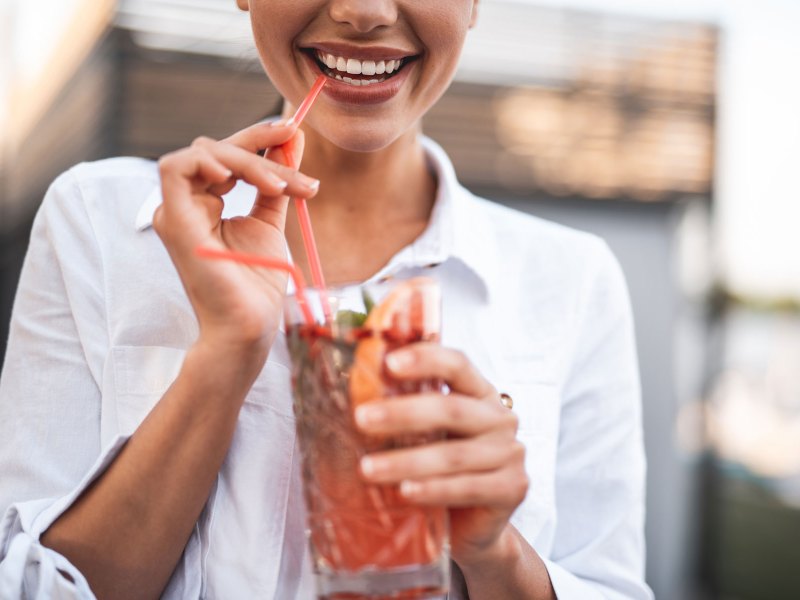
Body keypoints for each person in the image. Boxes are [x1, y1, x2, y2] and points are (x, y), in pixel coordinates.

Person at [0, 1, 652, 599]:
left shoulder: (571, 279)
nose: (362, 11)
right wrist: (226, 354)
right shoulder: (97, 221)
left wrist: (497, 555)